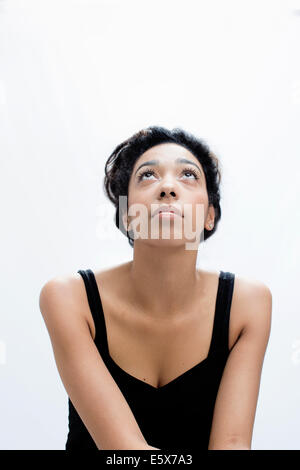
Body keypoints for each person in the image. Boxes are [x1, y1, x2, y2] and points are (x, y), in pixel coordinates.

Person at [39, 126, 272, 450]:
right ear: (126, 217)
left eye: (188, 175)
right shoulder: (69, 297)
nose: (167, 187)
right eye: (148, 176)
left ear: (209, 215)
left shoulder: (246, 304)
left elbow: (232, 444)